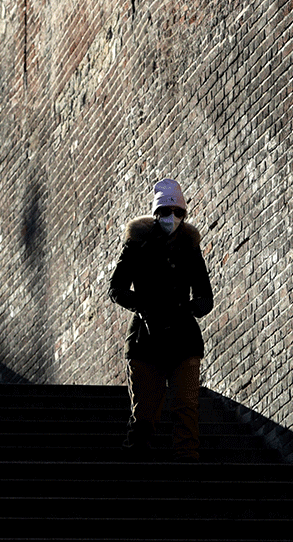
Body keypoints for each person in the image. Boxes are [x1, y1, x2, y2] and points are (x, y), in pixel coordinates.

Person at [108, 178, 214, 462]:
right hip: (146, 339)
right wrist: (143, 305)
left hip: (183, 338)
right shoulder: (137, 244)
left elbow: (205, 295)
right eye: (166, 212)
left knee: (186, 406)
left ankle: (187, 461)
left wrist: (191, 309)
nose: (172, 218)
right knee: (144, 412)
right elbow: (116, 288)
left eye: (178, 212)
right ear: (156, 213)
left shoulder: (190, 247)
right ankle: (137, 459)